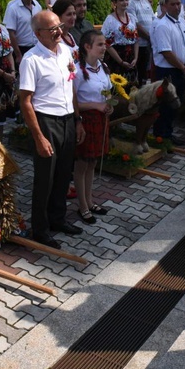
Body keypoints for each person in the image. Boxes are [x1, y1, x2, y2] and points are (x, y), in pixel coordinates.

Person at [18, 11, 87, 249]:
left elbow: (72, 87)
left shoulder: (65, 51)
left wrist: (78, 119)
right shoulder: (31, 59)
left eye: (59, 26)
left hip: (67, 118)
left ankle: (58, 219)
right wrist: (38, 137)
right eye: (53, 29)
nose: (59, 31)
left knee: (63, 174)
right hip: (46, 121)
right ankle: (40, 228)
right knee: (45, 179)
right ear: (38, 34)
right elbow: (25, 100)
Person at [73, 30, 113, 224]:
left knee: (93, 162)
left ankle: (90, 200)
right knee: (82, 164)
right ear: (87, 47)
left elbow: (107, 92)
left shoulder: (103, 67)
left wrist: (107, 105)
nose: (104, 48)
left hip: (100, 120)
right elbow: (72, 102)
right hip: (86, 120)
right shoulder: (78, 71)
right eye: (99, 44)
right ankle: (82, 205)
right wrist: (95, 106)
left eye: (104, 44)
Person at [151, 0, 185, 146]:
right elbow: (166, 52)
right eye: (173, 4)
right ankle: (161, 136)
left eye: (178, 4)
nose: (176, 7)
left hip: (182, 70)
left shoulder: (183, 22)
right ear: (165, 6)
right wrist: (182, 67)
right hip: (168, 71)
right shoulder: (162, 25)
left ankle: (168, 133)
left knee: (176, 104)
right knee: (165, 106)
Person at [102, 0, 140, 82]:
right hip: (116, 57)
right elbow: (107, 44)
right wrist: (120, 61)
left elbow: (136, 40)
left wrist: (135, 58)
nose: (125, 2)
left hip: (130, 57)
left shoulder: (131, 17)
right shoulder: (110, 19)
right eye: (121, 0)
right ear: (115, 2)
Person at [4, 0, 43, 65]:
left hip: (37, 48)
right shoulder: (13, 8)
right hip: (21, 49)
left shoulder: (37, 6)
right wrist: (18, 55)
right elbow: (11, 34)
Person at [126, 0, 154, 85]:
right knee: (136, 77)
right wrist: (150, 37)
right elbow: (135, 24)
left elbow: (153, 20)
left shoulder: (145, 1)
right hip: (137, 46)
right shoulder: (128, 2)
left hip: (148, 44)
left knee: (145, 76)